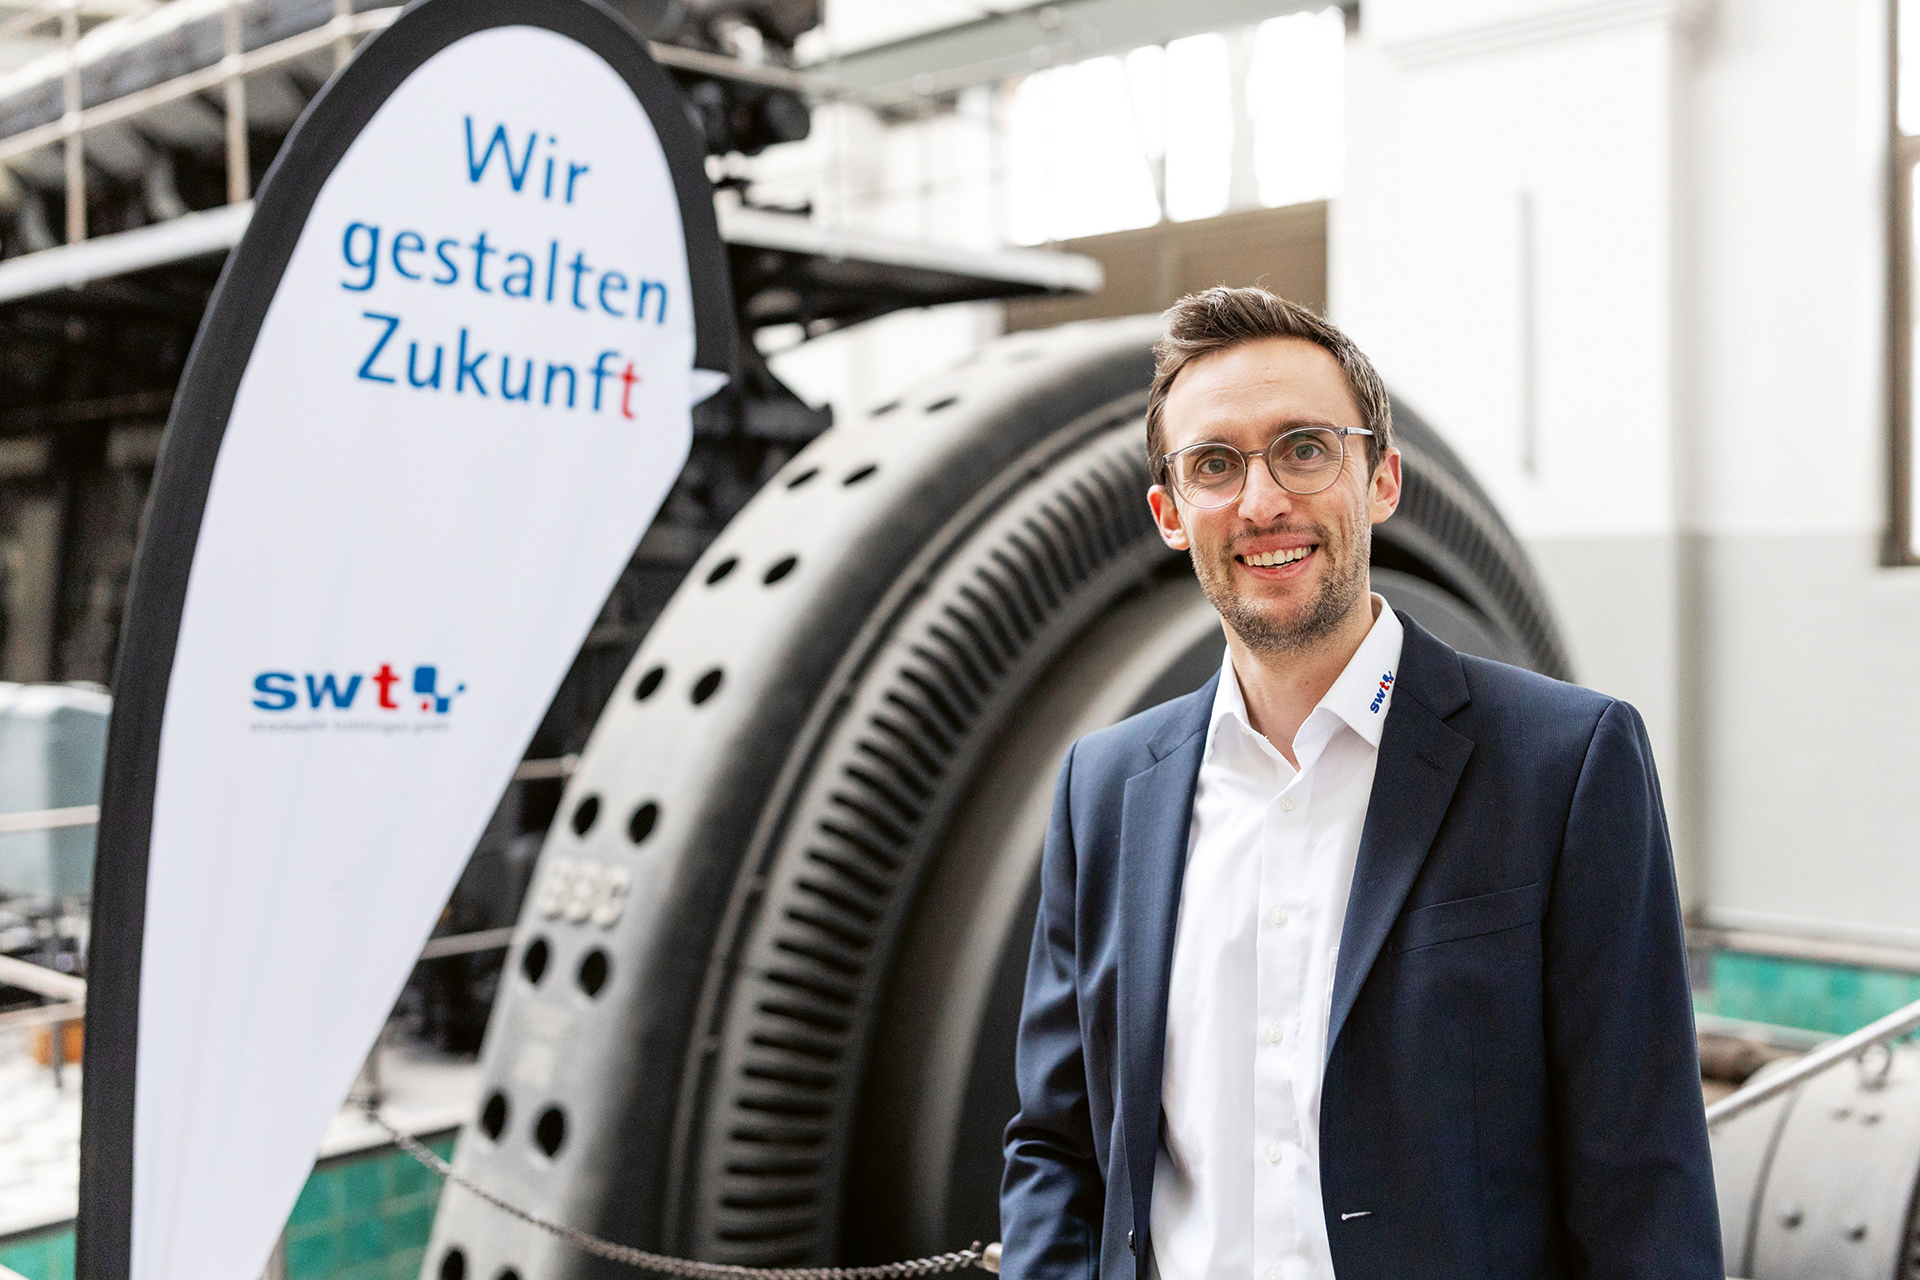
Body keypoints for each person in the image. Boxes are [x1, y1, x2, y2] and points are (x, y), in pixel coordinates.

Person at [998, 286, 1720, 1280]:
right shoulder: (1107, 790)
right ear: (1170, 513)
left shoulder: (1565, 764)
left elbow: (1644, 1179)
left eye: (1304, 448)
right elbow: (1058, 1144)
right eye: (1215, 464)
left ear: (1381, 479)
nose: (1261, 503)